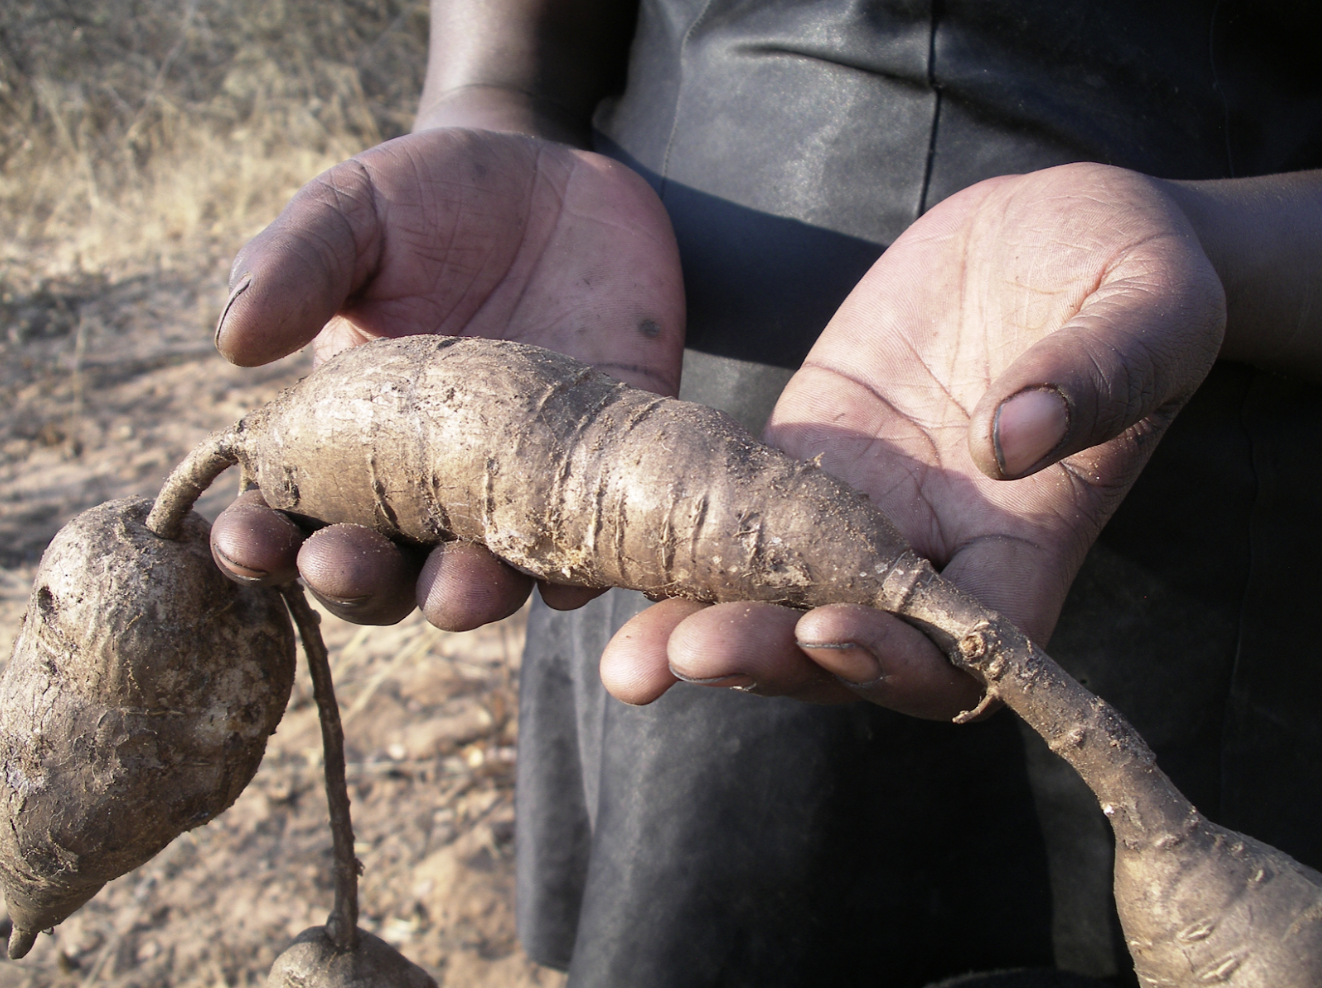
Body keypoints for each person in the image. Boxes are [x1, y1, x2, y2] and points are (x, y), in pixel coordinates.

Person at [208, 1, 1322, 984]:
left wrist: (1216, 252)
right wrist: (484, 113)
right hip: (616, 385)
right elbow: (515, 57)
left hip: (1183, 467)